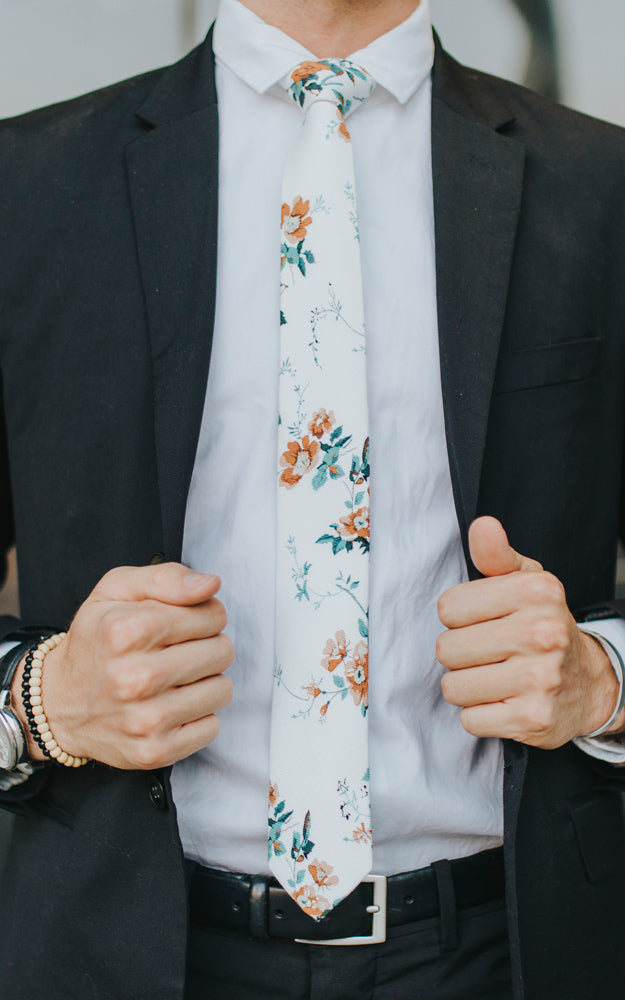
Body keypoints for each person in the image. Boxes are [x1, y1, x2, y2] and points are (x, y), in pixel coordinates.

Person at [1, 0, 625, 997]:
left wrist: (603, 681)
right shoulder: (23, 186)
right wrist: (44, 700)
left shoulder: (601, 185)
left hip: (504, 949)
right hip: (119, 952)